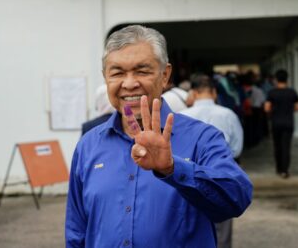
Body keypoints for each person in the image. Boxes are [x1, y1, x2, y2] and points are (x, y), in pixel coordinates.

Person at [65, 25, 252, 248]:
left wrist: (173, 169)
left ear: (165, 76)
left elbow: (236, 200)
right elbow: (77, 230)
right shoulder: (89, 145)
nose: (130, 83)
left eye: (142, 71)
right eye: (117, 73)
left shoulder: (202, 138)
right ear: (105, 78)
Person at [181, 73, 244, 248]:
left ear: (192, 93)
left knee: (189, 225)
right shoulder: (228, 114)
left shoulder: (181, 116)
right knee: (222, 229)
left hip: (187, 177)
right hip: (221, 175)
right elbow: (237, 147)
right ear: (214, 93)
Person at [264, 69, 298, 178]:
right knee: (286, 147)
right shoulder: (292, 92)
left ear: (276, 79)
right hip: (288, 122)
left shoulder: (272, 92)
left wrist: (274, 111)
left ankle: (279, 168)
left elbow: (267, 108)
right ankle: (285, 170)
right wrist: (289, 109)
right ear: (286, 79)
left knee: (277, 146)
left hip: (276, 123)